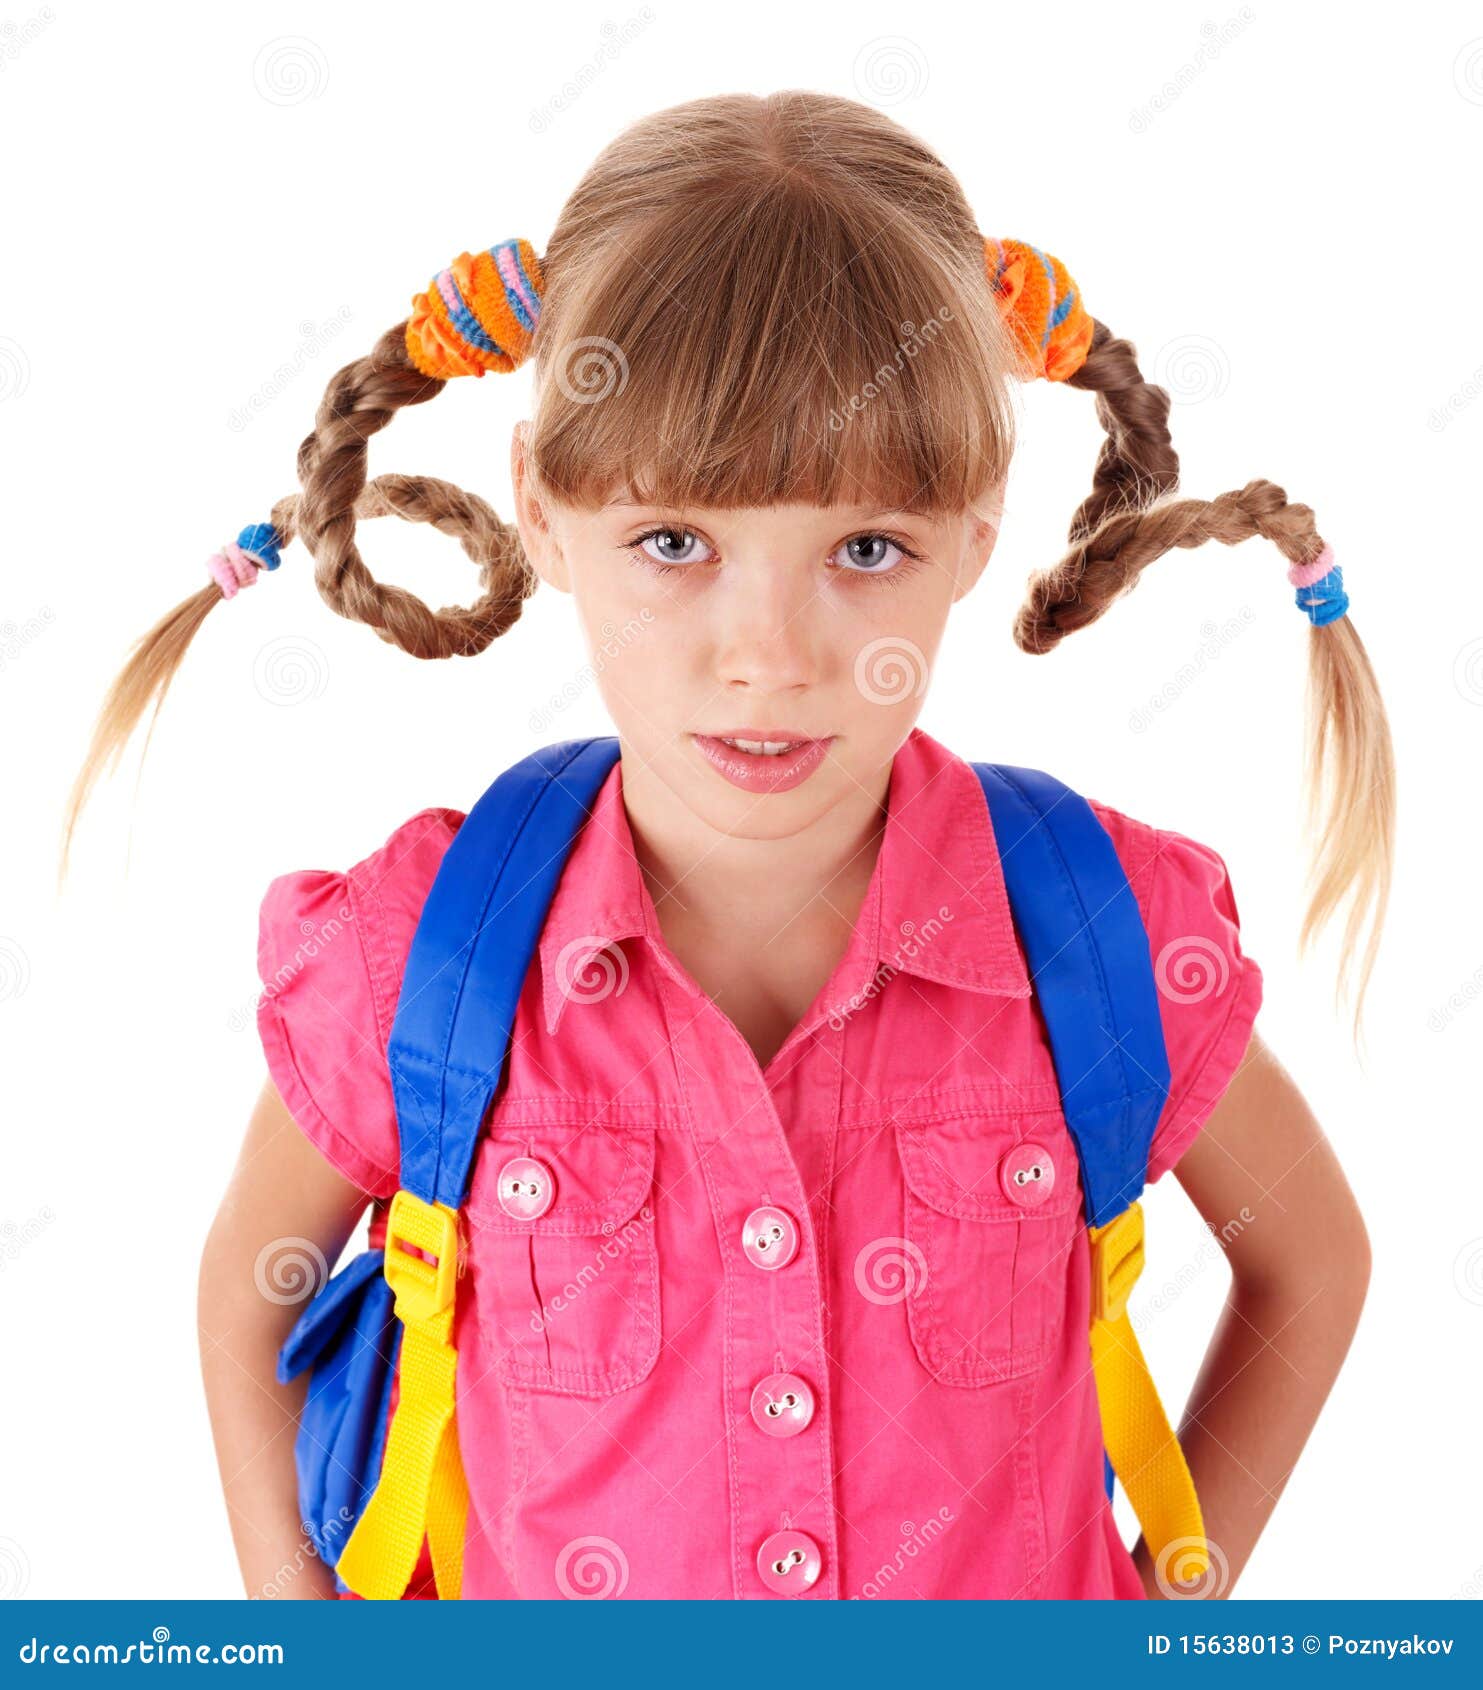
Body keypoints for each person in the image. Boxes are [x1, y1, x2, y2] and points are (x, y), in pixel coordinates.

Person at [63, 90, 1387, 1600]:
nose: (768, 656)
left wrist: (1168, 1610)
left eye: (865, 548)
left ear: (974, 532)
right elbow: (251, 1296)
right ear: (545, 515)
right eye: (676, 544)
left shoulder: (1100, 937)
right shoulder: (423, 950)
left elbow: (1313, 1261)